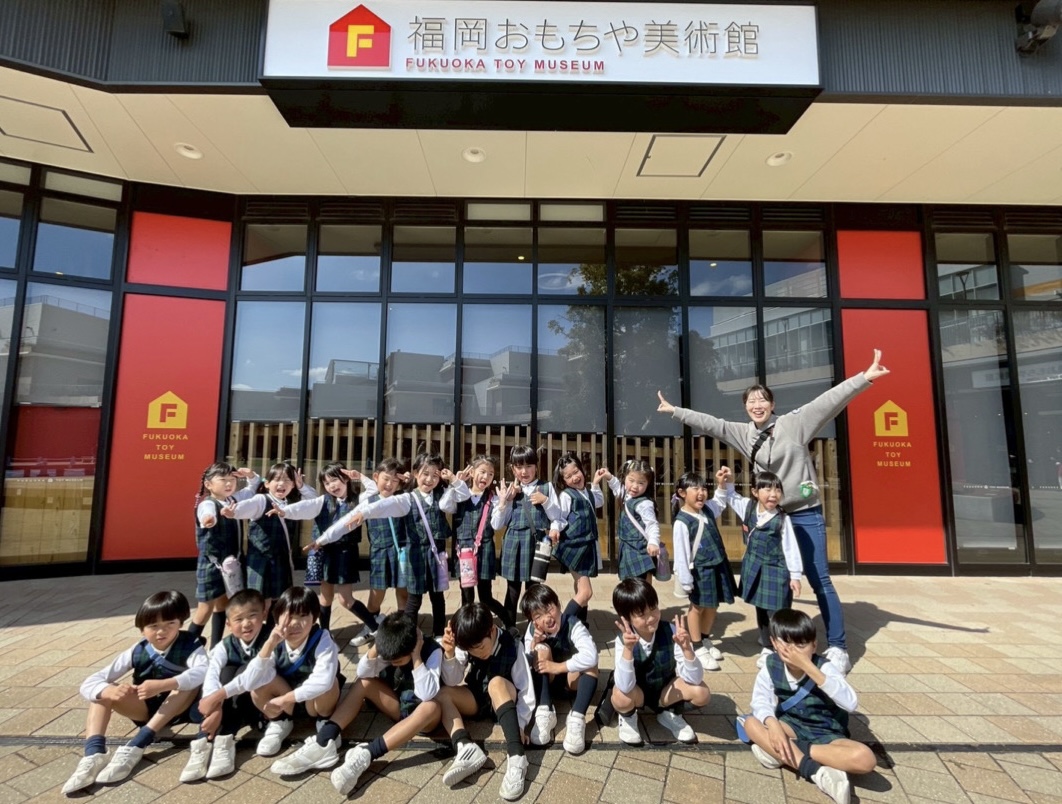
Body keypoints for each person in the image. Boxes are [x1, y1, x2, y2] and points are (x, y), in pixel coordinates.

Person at [657, 349, 891, 673]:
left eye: (762, 399)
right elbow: (712, 424)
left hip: (803, 512)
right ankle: (770, 638)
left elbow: (829, 401)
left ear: (772, 403)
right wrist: (675, 411)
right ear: (745, 407)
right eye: (751, 401)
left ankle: (838, 647)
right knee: (767, 574)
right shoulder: (744, 433)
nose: (757, 405)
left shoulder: (794, 423)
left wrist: (864, 378)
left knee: (819, 578)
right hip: (768, 515)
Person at [63, 591, 207, 795]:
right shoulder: (137, 650)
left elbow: (203, 670)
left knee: (188, 683)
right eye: (153, 626)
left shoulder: (191, 644)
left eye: (170, 624)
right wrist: (110, 690)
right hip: (145, 709)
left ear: (180, 623)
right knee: (101, 692)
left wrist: (164, 684)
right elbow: (89, 682)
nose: (161, 631)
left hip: (179, 708)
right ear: (142, 629)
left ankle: (138, 743)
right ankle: (93, 754)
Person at [742, 608, 876, 804]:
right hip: (791, 725)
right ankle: (817, 772)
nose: (794, 651)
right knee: (751, 724)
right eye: (786, 643)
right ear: (774, 643)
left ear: (814, 645)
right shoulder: (771, 665)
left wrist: (809, 667)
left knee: (865, 759)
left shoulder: (825, 667)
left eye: (801, 644)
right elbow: (761, 700)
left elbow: (851, 703)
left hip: (828, 733)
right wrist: (773, 725)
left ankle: (781, 752)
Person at [305, 613, 446, 793]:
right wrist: (376, 646)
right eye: (391, 661)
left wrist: (416, 656)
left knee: (430, 706)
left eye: (398, 661)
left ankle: (368, 753)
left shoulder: (432, 650)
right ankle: (325, 739)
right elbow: (363, 673)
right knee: (363, 683)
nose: (394, 664)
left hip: (424, 718)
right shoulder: (391, 648)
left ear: (412, 647)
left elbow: (427, 694)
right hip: (400, 707)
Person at [341, 452, 470, 637]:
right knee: (414, 597)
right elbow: (386, 504)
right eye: (425, 474)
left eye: (435, 475)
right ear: (416, 473)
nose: (429, 479)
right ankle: (407, 635)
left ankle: (438, 633)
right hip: (415, 552)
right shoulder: (408, 497)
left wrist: (454, 480)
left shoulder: (442, 495)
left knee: (437, 595)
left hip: (436, 553)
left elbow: (463, 495)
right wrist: (365, 512)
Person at [437, 602, 537, 801]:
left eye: (481, 647)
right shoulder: (468, 641)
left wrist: (521, 723)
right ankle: (465, 747)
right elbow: (454, 680)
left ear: (491, 630)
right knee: (443, 694)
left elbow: (526, 690)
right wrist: (449, 654)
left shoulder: (512, 644)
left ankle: (517, 757)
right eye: (471, 650)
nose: (477, 653)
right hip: (478, 697)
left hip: (504, 698)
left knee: (495, 683)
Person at [240, 586, 342, 758]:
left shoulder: (323, 638)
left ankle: (325, 721)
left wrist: (285, 699)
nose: (295, 623)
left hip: (313, 704)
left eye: (303, 616)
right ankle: (280, 722)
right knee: (258, 680)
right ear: (277, 617)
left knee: (330, 683)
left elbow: (323, 680)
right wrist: (268, 646)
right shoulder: (273, 639)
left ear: (314, 618)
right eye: (289, 616)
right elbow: (249, 681)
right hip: (286, 705)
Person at [180, 588, 270, 782]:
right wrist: (215, 707)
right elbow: (211, 673)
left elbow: (251, 678)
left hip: (259, 701)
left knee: (244, 670)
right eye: (239, 619)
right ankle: (202, 741)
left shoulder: (270, 640)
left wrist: (217, 697)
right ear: (228, 624)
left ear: (264, 614)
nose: (246, 624)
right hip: (231, 700)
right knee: (225, 671)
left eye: (252, 616)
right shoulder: (225, 645)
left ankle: (226, 738)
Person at [609, 578, 710, 746]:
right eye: (641, 614)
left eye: (653, 608)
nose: (651, 617)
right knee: (620, 696)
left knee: (702, 692)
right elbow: (625, 686)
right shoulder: (623, 640)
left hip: (665, 691)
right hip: (637, 693)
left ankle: (668, 712)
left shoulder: (671, 630)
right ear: (627, 618)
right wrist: (628, 650)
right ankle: (628, 717)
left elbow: (695, 679)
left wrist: (687, 649)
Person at [721, 468, 803, 669]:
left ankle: (776, 647)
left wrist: (795, 575)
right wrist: (728, 480)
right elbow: (731, 496)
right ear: (755, 492)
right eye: (767, 489)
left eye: (777, 490)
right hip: (755, 565)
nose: (773, 494)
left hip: (776, 569)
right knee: (761, 606)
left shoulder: (782, 518)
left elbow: (790, 547)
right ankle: (766, 641)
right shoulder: (748, 507)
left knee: (776, 610)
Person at [317, 458, 410, 627]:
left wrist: (409, 481)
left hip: (401, 552)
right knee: (376, 595)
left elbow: (416, 491)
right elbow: (344, 523)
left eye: (394, 480)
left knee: (403, 593)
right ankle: (371, 626)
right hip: (379, 553)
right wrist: (322, 539)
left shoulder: (402, 498)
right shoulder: (368, 500)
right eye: (386, 479)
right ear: (376, 477)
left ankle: (403, 629)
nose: (389, 484)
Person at [221, 463, 321, 610]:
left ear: (293, 485)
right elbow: (246, 506)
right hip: (260, 561)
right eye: (277, 479)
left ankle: (273, 624)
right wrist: (233, 512)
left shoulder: (291, 504)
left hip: (281, 559)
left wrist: (301, 486)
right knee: (259, 602)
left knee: (279, 601)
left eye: (287, 480)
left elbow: (314, 503)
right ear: (267, 483)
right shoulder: (261, 500)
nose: (281, 484)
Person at [301, 462, 378, 644]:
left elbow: (374, 489)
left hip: (345, 552)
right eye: (327, 483)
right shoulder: (323, 501)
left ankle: (376, 628)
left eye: (335, 480)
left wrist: (360, 476)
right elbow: (307, 500)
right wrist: (300, 486)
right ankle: (325, 633)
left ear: (346, 479)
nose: (331, 486)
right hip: (325, 552)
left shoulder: (358, 500)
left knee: (345, 599)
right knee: (325, 596)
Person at [671, 469, 737, 672]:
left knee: (713, 604)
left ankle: (706, 638)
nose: (701, 493)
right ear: (682, 493)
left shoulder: (707, 510)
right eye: (695, 489)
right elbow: (681, 554)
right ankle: (697, 645)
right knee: (697, 607)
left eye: (703, 488)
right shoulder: (682, 522)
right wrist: (686, 580)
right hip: (700, 570)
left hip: (717, 565)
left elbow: (720, 502)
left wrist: (722, 484)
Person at [521, 583, 599, 754]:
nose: (547, 618)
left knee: (591, 664)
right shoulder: (532, 630)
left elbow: (592, 655)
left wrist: (558, 667)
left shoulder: (573, 624)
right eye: (538, 616)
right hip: (548, 683)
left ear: (558, 604)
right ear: (533, 620)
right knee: (540, 650)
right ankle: (545, 710)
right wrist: (534, 645)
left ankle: (577, 718)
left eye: (549, 609)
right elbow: (524, 664)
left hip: (572, 682)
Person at [191, 462, 260, 647]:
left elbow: (252, 489)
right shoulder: (207, 503)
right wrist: (209, 519)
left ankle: (215, 646)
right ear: (208, 484)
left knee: (223, 604)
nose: (229, 483)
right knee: (205, 607)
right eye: (223, 480)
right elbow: (207, 515)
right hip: (212, 563)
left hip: (231, 562)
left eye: (232, 479)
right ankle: (185, 646)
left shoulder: (233, 499)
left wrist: (251, 476)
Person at [496, 445, 562, 627]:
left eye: (529, 466)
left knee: (534, 590)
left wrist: (545, 501)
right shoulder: (510, 491)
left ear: (536, 467)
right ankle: (509, 629)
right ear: (513, 469)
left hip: (536, 543)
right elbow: (499, 523)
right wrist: (505, 501)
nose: (524, 472)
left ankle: (535, 629)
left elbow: (557, 516)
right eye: (519, 467)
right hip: (513, 543)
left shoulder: (546, 487)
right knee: (512, 590)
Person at [453, 455, 515, 627]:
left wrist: (502, 503)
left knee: (485, 596)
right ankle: (467, 628)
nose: (486, 477)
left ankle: (508, 623)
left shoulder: (493, 498)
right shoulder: (460, 494)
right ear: (472, 472)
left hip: (485, 549)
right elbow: (445, 505)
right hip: (464, 551)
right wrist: (455, 484)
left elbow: (496, 525)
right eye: (482, 472)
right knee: (466, 595)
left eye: (490, 474)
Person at [549, 451, 608, 624]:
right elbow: (559, 517)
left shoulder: (587, 492)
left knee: (580, 588)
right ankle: (562, 626)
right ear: (563, 481)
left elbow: (599, 501)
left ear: (582, 470)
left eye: (576, 472)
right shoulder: (566, 495)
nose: (574, 477)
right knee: (586, 592)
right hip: (573, 547)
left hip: (585, 547)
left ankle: (580, 623)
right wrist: (555, 529)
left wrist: (595, 484)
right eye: (568, 476)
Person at [603, 459, 661, 582]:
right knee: (630, 585)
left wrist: (653, 542)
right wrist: (609, 477)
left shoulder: (645, 503)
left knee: (643, 585)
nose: (635, 486)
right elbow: (617, 488)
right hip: (628, 548)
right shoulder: (627, 495)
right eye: (631, 480)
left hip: (640, 550)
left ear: (648, 484)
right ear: (625, 478)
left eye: (641, 483)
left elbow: (652, 524)